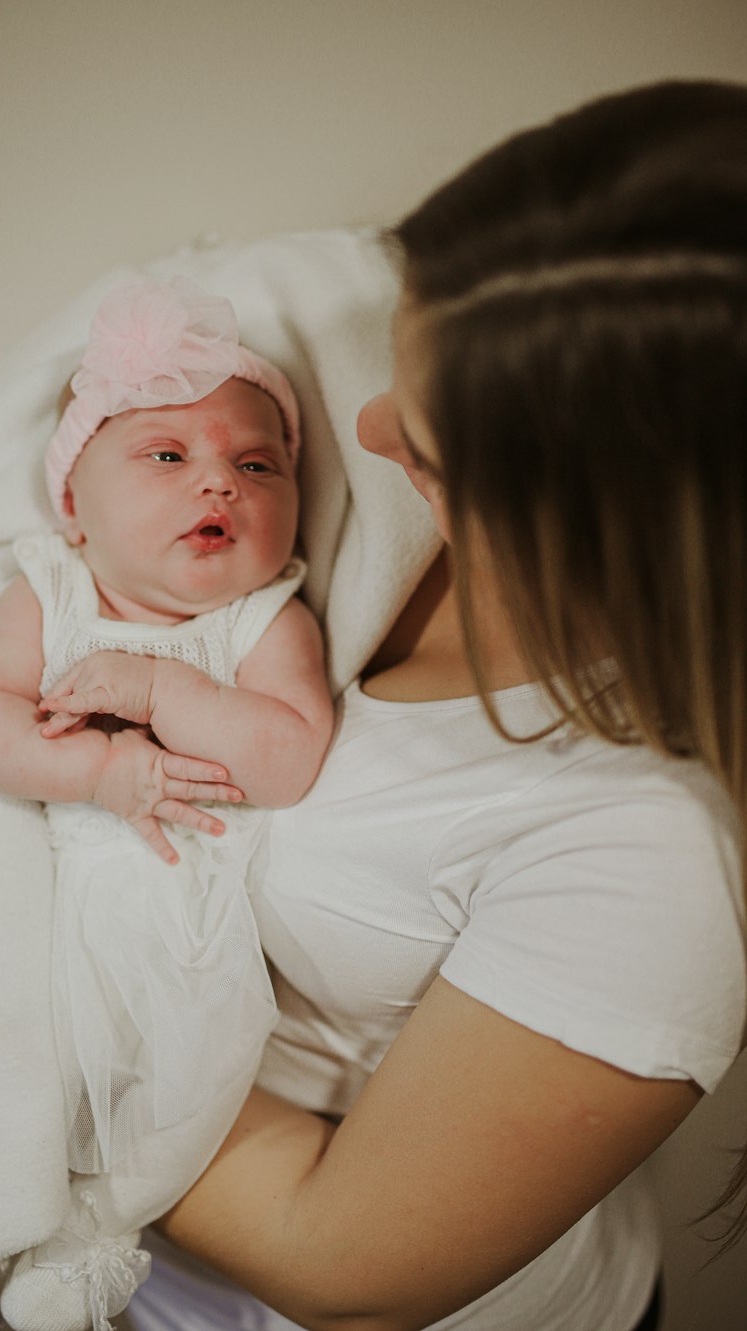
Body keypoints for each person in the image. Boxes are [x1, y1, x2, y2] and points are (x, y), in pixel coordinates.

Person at [116, 79, 747, 1331]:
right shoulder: (408, 503)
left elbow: (333, 1258)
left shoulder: (654, 852)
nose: (363, 427)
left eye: (433, 449)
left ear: (607, 529)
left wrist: (51, 1032)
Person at [0, 276, 334, 1331]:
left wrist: (165, 691)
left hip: (183, 910)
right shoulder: (50, 592)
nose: (220, 483)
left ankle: (95, 1236)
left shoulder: (262, 617)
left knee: (183, 1081)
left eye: (259, 463)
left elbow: (288, 759)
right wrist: (96, 772)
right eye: (167, 454)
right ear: (74, 502)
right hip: (44, 894)